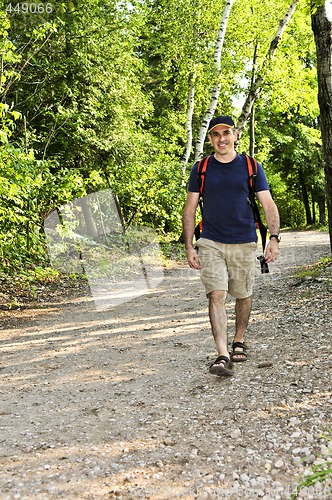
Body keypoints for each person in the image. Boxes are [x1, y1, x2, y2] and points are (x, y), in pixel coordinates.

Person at [182, 115, 280, 377]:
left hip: (245, 241)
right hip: (211, 241)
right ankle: (223, 354)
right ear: (211, 139)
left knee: (243, 295)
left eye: (226, 133)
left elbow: (267, 204)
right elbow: (190, 209)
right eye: (215, 134)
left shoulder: (251, 166)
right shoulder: (201, 168)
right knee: (217, 294)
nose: (221, 138)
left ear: (235, 135)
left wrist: (273, 237)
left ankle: (239, 339)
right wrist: (190, 245)